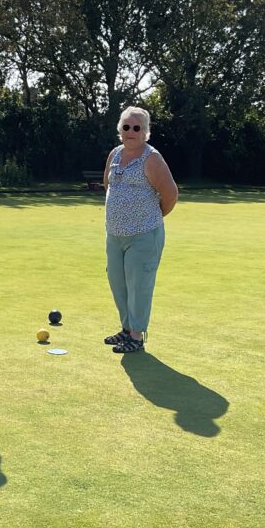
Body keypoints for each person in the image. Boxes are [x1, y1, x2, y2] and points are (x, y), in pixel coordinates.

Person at [102, 106, 178, 354]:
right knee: (118, 283)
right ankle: (126, 329)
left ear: (145, 132)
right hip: (114, 235)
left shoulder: (152, 158)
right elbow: (108, 185)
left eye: (137, 127)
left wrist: (148, 218)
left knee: (139, 285)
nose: (131, 131)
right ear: (120, 129)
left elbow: (170, 195)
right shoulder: (115, 154)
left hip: (144, 235)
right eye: (126, 126)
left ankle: (136, 335)